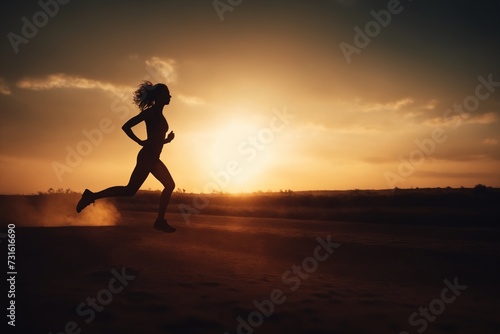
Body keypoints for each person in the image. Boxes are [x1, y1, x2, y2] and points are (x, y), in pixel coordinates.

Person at [76, 81, 176, 233]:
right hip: (147, 157)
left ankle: (92, 195)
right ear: (159, 96)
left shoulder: (160, 115)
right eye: (167, 93)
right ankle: (92, 195)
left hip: (153, 157)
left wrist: (166, 141)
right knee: (134, 189)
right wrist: (139, 141)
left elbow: (155, 139)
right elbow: (126, 126)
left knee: (134, 190)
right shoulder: (150, 113)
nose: (170, 96)